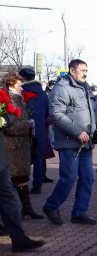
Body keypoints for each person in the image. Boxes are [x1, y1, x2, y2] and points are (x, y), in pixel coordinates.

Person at [43, 59, 97, 226]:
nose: (86, 73)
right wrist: (77, 132)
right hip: (69, 142)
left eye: (87, 70)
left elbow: (93, 114)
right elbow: (56, 114)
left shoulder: (85, 88)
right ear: (72, 70)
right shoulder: (62, 88)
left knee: (87, 178)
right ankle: (51, 206)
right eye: (82, 70)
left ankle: (79, 212)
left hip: (86, 142)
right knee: (69, 177)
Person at [0, 88, 46, 252]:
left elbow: (11, 113)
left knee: (7, 198)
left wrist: (4, 120)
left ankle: (18, 238)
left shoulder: (1, 94)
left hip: (1, 159)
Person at [2, 73, 44, 219]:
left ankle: (27, 208)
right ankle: (9, 216)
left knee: (22, 178)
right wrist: (29, 124)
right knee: (9, 182)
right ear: (11, 84)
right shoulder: (6, 100)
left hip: (22, 146)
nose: (22, 87)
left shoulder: (19, 99)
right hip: (11, 148)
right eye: (19, 85)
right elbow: (8, 127)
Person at [18, 68, 53, 195]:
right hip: (40, 130)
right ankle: (37, 186)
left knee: (22, 158)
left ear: (22, 78)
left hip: (22, 129)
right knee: (38, 157)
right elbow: (48, 114)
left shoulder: (20, 92)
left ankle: (21, 187)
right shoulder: (43, 93)